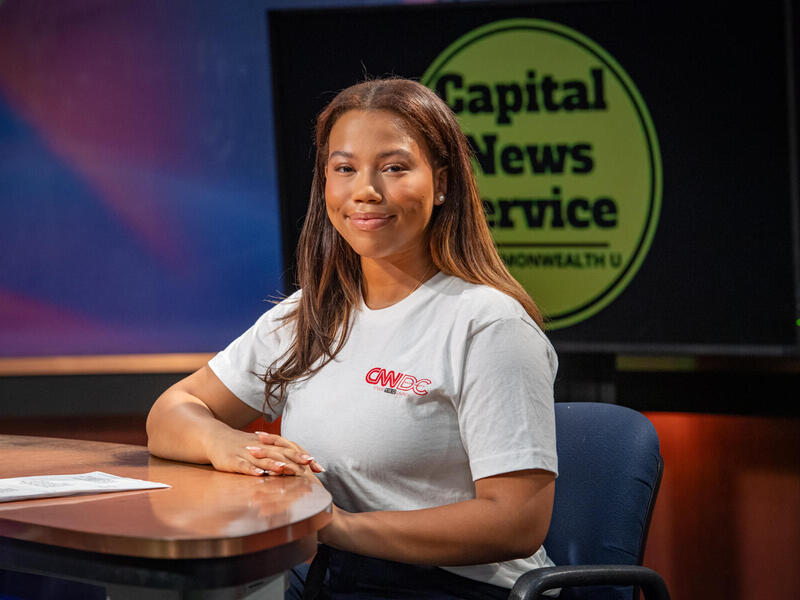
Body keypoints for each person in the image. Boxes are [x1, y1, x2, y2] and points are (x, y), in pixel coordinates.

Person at [146, 78, 558, 599]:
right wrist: (229, 446)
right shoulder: (309, 313)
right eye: (345, 169)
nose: (366, 189)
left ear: (443, 183)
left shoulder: (488, 324)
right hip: (325, 571)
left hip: (452, 588)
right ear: (325, 185)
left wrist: (333, 526)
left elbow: (516, 522)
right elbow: (170, 412)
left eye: (394, 168)